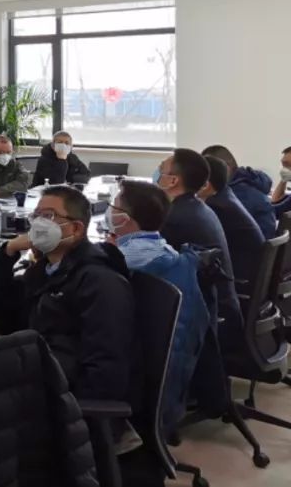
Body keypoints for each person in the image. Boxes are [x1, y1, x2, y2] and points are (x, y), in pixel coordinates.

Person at [0, 185, 134, 404]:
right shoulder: (45, 271)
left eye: (48, 216)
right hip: (35, 372)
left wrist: (61, 407)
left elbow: (106, 370)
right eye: (36, 215)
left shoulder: (100, 281)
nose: (38, 223)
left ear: (76, 229)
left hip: (58, 396)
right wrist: (8, 251)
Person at [104, 180, 209, 430]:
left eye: (114, 206)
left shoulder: (128, 259)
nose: (109, 211)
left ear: (125, 219)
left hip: (137, 377)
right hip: (170, 375)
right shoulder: (162, 248)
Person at [156, 148, 240, 322]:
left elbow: (153, 264)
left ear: (172, 180)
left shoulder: (175, 218)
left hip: (210, 317)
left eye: (161, 169)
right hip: (218, 306)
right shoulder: (197, 207)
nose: (157, 173)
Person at [198, 156, 265, 288]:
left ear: (205, 185)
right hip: (253, 273)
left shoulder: (217, 207)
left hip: (241, 279)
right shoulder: (225, 196)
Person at [201, 145, 275, 239]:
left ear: (225, 168)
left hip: (247, 247)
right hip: (262, 243)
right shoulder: (249, 183)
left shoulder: (232, 196)